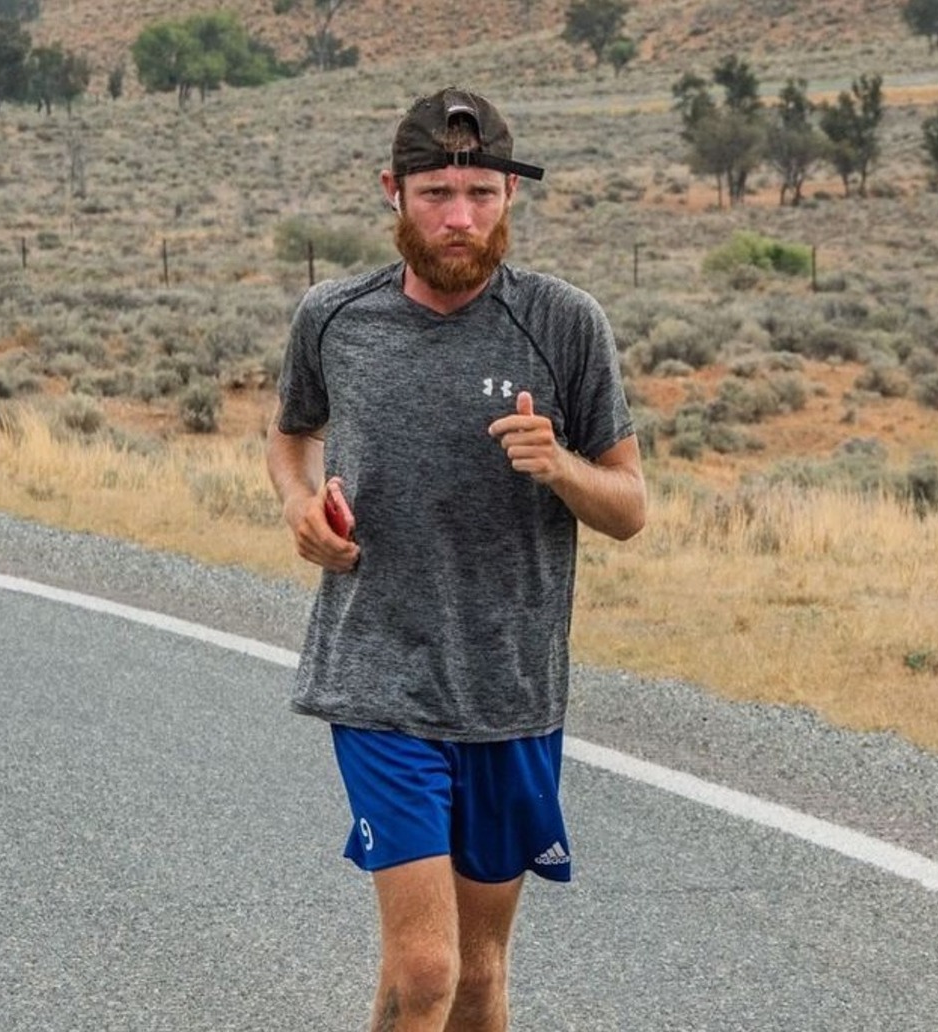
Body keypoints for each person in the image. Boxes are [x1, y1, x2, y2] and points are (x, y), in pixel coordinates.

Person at [266, 86, 646, 1031]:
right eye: (437, 192)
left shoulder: (563, 323)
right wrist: (299, 505)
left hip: (510, 687)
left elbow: (631, 506)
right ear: (391, 192)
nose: (460, 217)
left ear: (510, 195)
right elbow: (291, 435)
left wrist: (559, 465)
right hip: (378, 675)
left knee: (475, 979)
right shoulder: (334, 316)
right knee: (428, 969)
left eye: (481, 191)